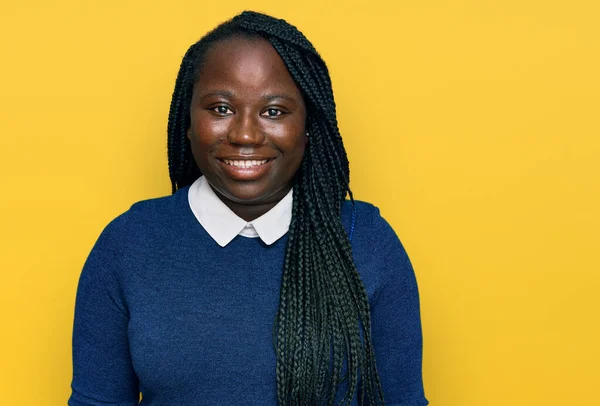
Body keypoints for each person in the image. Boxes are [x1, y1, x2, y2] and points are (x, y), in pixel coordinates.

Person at [68, 10, 428, 406]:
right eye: (221, 108)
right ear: (187, 122)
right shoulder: (128, 245)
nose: (244, 134)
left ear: (308, 128)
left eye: (274, 111)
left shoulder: (368, 244)